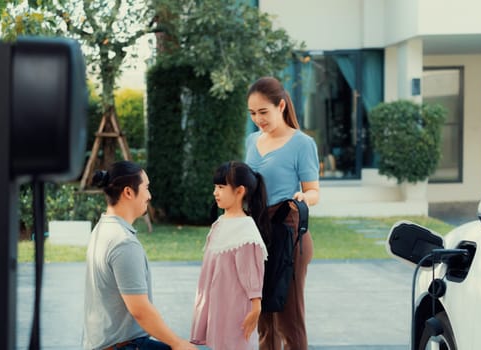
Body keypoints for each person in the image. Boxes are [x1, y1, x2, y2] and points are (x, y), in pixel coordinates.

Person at [83, 160, 196, 350]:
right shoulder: (123, 242)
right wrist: (178, 344)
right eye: (146, 188)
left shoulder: (102, 229)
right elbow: (140, 310)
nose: (149, 195)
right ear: (128, 192)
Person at [245, 76, 320, 350]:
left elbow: (314, 191)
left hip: (289, 234)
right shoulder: (252, 141)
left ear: (281, 106)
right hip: (258, 232)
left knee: (289, 318)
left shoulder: (301, 143)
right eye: (252, 113)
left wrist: (303, 198)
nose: (258, 119)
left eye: (263, 112)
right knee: (263, 318)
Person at [190, 161, 270, 350]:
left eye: (220, 187)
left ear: (239, 191)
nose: (215, 192)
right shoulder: (220, 223)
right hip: (218, 307)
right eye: (215, 187)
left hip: (235, 311)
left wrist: (256, 307)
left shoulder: (245, 230)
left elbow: (251, 274)